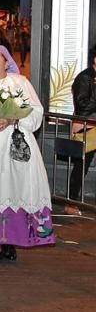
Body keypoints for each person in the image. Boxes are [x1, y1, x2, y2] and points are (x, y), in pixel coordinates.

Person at [0, 45, 56, 259]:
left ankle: (10, 240)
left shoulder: (20, 82)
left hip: (14, 145)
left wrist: (12, 119)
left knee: (13, 190)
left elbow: (36, 113)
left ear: (6, 62)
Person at [68, 44, 96, 205]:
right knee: (81, 165)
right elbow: (82, 104)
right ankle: (71, 201)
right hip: (87, 126)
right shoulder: (85, 78)